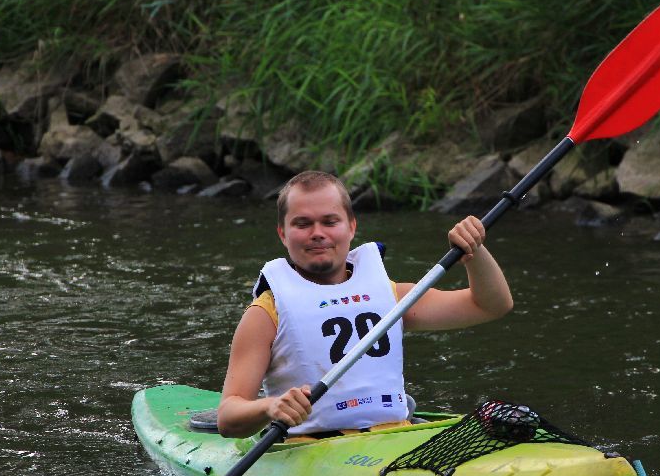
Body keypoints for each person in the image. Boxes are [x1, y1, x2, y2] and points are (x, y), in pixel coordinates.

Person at [217, 171, 513, 439]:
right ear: (283, 233)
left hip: (396, 438)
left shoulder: (393, 296)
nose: (317, 232)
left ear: (351, 227)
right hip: (312, 449)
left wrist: (475, 253)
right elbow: (228, 416)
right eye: (302, 224)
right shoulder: (266, 313)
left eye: (330, 221)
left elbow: (490, 306)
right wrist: (270, 407)